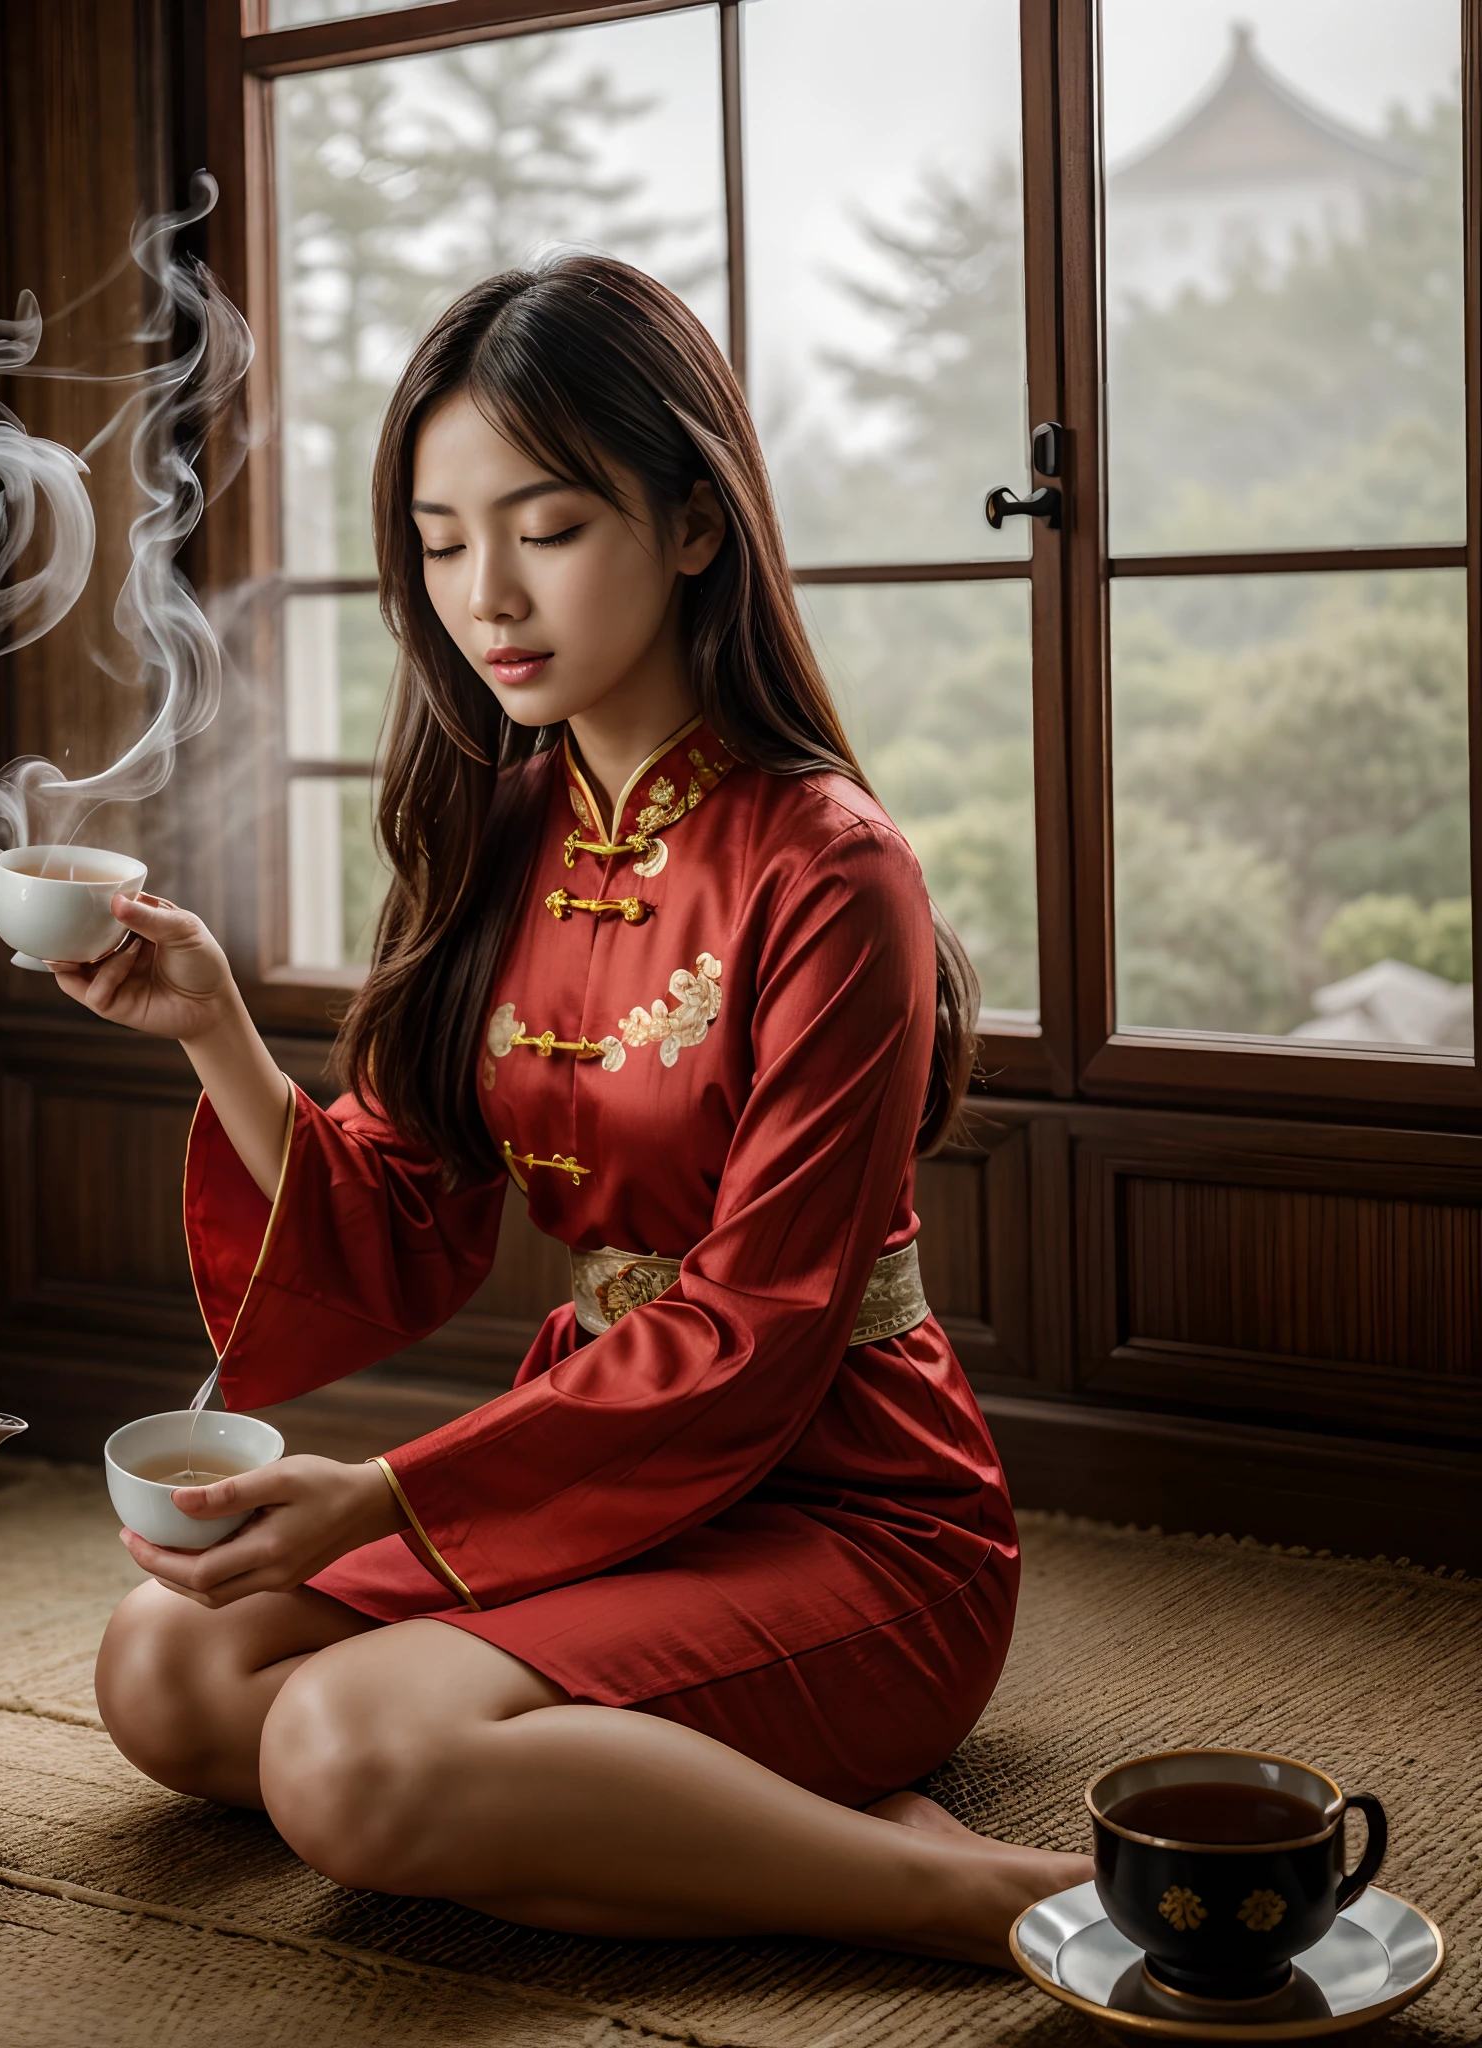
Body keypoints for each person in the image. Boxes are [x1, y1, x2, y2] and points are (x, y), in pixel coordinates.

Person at [56, 255, 1089, 1965]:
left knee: (343, 1756)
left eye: (545, 527)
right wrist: (217, 1033)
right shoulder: (500, 825)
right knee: (164, 1673)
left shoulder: (834, 869)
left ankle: (967, 1889)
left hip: (849, 1512)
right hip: (604, 1480)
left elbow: (758, 1332)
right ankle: (686, 1795)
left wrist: (387, 1495)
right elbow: (401, 1213)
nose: (488, 597)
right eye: (442, 544)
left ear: (694, 524)